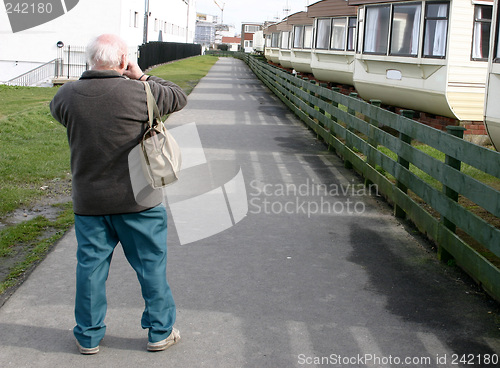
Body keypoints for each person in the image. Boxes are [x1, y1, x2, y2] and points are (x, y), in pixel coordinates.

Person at [50, 34, 187, 354]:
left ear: (90, 59)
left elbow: (61, 116)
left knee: (90, 270)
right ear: (124, 59)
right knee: (151, 267)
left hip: (90, 202)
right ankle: (159, 332)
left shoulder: (66, 95)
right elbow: (178, 97)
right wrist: (140, 74)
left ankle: (88, 336)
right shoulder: (142, 93)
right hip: (139, 203)